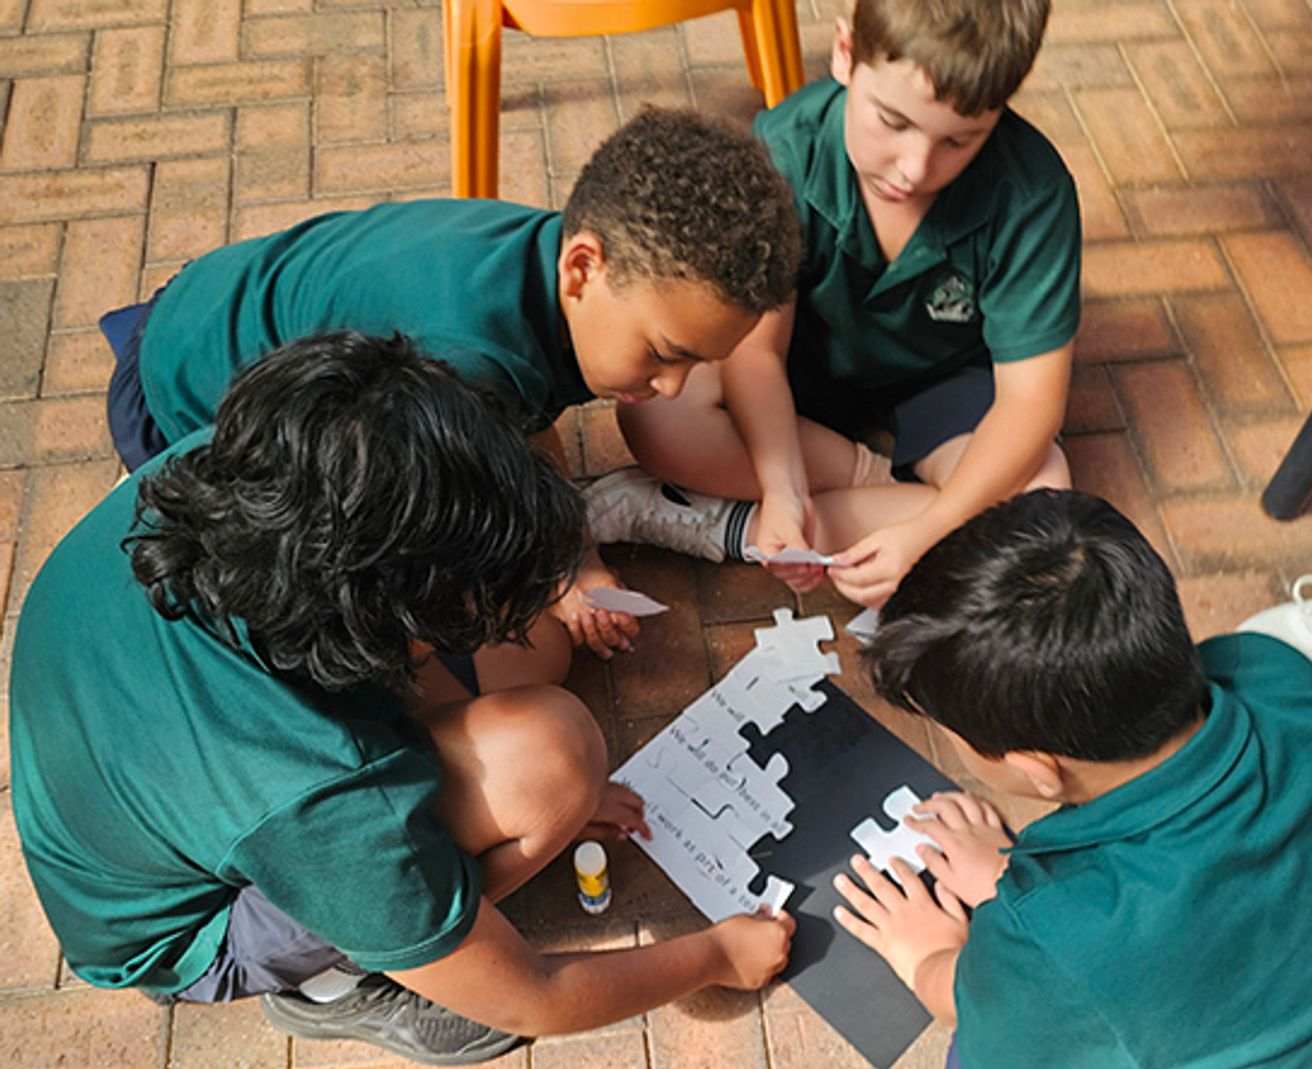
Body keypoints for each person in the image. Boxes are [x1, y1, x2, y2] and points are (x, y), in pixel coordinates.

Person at [10, 333, 794, 1065]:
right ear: (390, 613)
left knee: (539, 665)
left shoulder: (258, 466)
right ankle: (341, 980)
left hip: (148, 774)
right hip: (191, 925)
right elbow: (536, 995)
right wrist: (716, 956)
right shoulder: (316, 796)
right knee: (551, 758)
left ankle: (401, 909)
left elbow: (399, 671)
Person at [98, 107, 801, 658]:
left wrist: (575, 558)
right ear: (584, 268)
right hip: (183, 403)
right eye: (663, 353)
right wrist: (547, 579)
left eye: (695, 364)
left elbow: (519, 411)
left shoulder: (556, 260)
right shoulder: (460, 365)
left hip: (212, 298)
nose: (673, 387)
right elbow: (410, 532)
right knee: (515, 650)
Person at [829, 489, 1312, 1068]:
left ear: (1037, 770)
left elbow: (987, 1019)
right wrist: (1020, 890)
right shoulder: (1272, 667)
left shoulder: (1048, 943)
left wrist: (930, 957)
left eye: (949, 732)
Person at [587, 0, 1079, 609]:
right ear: (844, 54)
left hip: (944, 380)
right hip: (802, 364)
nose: (915, 169)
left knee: (1045, 496)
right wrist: (782, 489)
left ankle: (733, 527)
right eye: (892, 122)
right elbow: (758, 353)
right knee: (659, 416)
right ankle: (866, 492)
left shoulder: (1033, 193)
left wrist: (930, 529)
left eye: (959, 140)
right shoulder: (785, 150)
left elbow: (1031, 403)